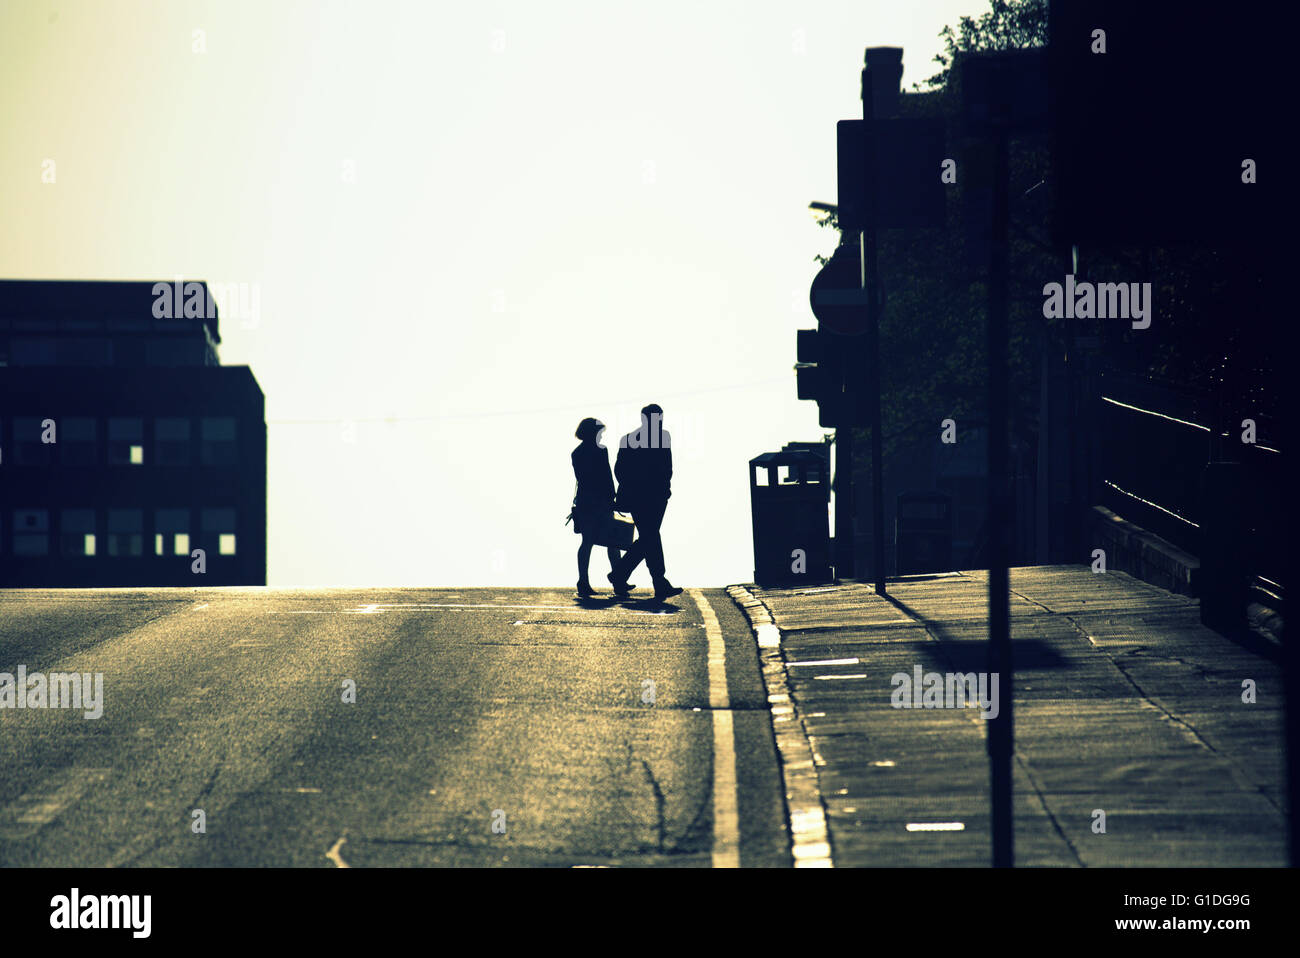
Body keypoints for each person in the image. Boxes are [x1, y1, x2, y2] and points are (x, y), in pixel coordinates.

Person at [608, 404, 683, 601]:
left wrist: (632, 486)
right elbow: (667, 467)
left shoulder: (629, 439)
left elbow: (619, 470)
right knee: (650, 536)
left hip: (638, 498)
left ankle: (625, 575)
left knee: (648, 537)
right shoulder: (663, 437)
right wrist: (662, 487)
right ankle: (656, 580)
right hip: (654, 497)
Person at [569, 417, 625, 598]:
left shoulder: (576, 453)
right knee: (613, 541)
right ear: (594, 433)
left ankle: (583, 581)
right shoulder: (601, 451)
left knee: (587, 542)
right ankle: (618, 582)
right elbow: (606, 477)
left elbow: (583, 480)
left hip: (585, 502)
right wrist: (613, 498)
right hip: (601, 501)